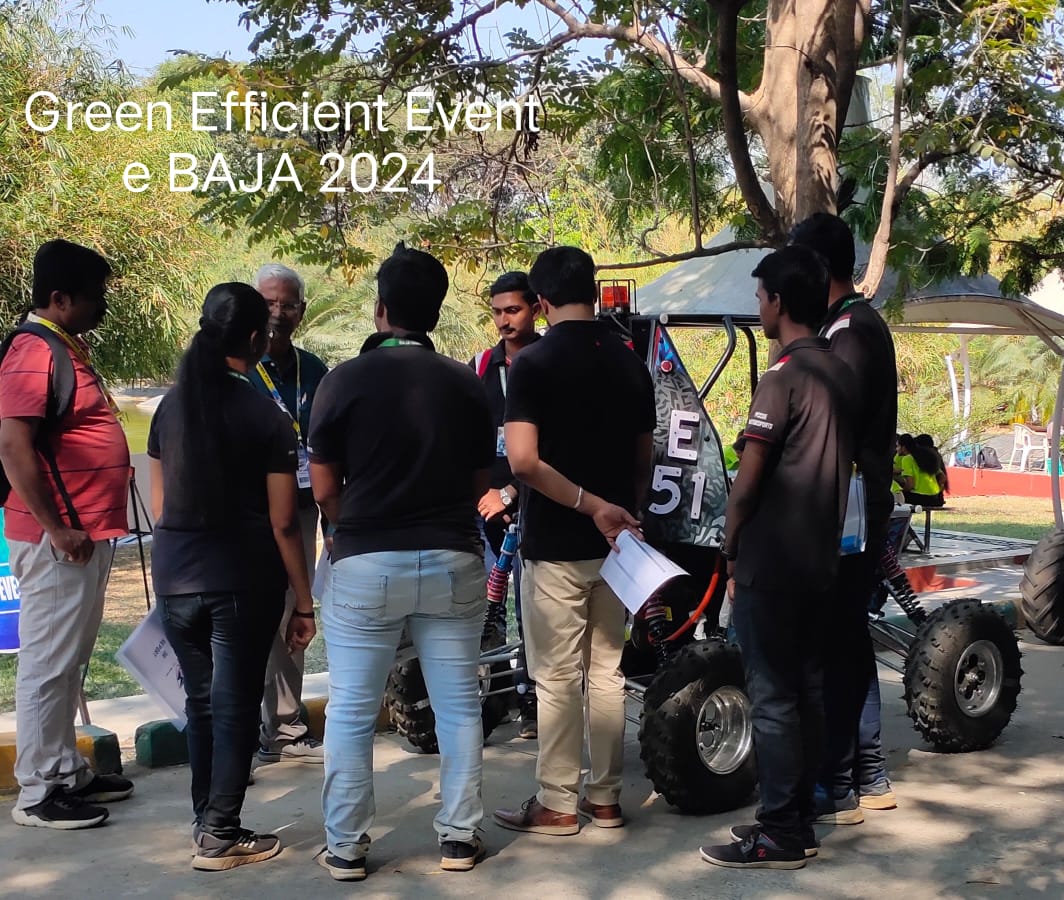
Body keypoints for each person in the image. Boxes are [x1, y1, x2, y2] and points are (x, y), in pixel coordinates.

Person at [308, 244, 494, 880]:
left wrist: (342, 533)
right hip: (453, 560)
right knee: (458, 707)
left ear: (380, 309)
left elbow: (324, 485)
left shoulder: (342, 381)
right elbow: (478, 482)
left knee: (353, 712)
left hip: (365, 560)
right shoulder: (466, 383)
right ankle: (460, 838)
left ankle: (347, 847)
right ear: (436, 313)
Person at [148, 283, 316, 871]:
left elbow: (161, 502)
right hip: (240, 581)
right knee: (237, 703)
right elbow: (284, 523)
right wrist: (303, 600)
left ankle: (206, 821)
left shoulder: (170, 408)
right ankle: (220, 832)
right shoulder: (263, 416)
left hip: (175, 580)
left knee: (202, 702)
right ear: (255, 338)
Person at [700, 245, 857, 870]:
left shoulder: (783, 377)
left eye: (761, 297)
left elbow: (749, 478)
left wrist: (731, 542)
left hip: (773, 562)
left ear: (780, 301)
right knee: (807, 691)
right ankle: (798, 818)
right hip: (821, 558)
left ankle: (780, 834)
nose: (757, 307)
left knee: (772, 698)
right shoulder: (839, 371)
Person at [492, 246, 655, 837]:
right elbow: (645, 453)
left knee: (558, 677)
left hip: (557, 544)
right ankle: (606, 799)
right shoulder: (628, 359)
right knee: (607, 674)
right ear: (594, 289)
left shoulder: (532, 364)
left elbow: (523, 462)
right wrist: (623, 511)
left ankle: (558, 802)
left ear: (540, 302)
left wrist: (590, 506)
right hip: (619, 548)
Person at [0, 239, 134, 829]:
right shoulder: (34, 352)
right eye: (94, 297)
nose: (101, 306)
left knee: (69, 658)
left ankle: (65, 769)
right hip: (58, 537)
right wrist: (57, 526)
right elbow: (13, 444)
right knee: (48, 661)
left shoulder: (63, 348)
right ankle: (38, 791)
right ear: (60, 298)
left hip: (83, 533)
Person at [790, 213, 900, 819]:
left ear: (815, 267)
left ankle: (843, 777)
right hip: (846, 508)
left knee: (835, 643)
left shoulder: (853, 330)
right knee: (847, 637)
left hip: (848, 512)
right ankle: (866, 770)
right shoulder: (845, 325)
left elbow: (833, 423)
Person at [248, 263, 330, 765]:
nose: (278, 313)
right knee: (254, 614)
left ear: (301, 310)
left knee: (296, 611)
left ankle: (285, 725)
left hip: (302, 509)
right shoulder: (236, 370)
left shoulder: (314, 371)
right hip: (249, 510)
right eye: (269, 303)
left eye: (288, 304)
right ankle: (264, 727)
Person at [469, 271, 541, 739]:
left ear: (536, 308)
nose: (503, 321)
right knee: (485, 611)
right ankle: (493, 702)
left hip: (535, 505)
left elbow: (554, 444)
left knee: (531, 610)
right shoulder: (479, 366)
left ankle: (534, 700)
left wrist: (513, 493)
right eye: (496, 312)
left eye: (512, 310)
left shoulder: (549, 362)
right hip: (485, 512)